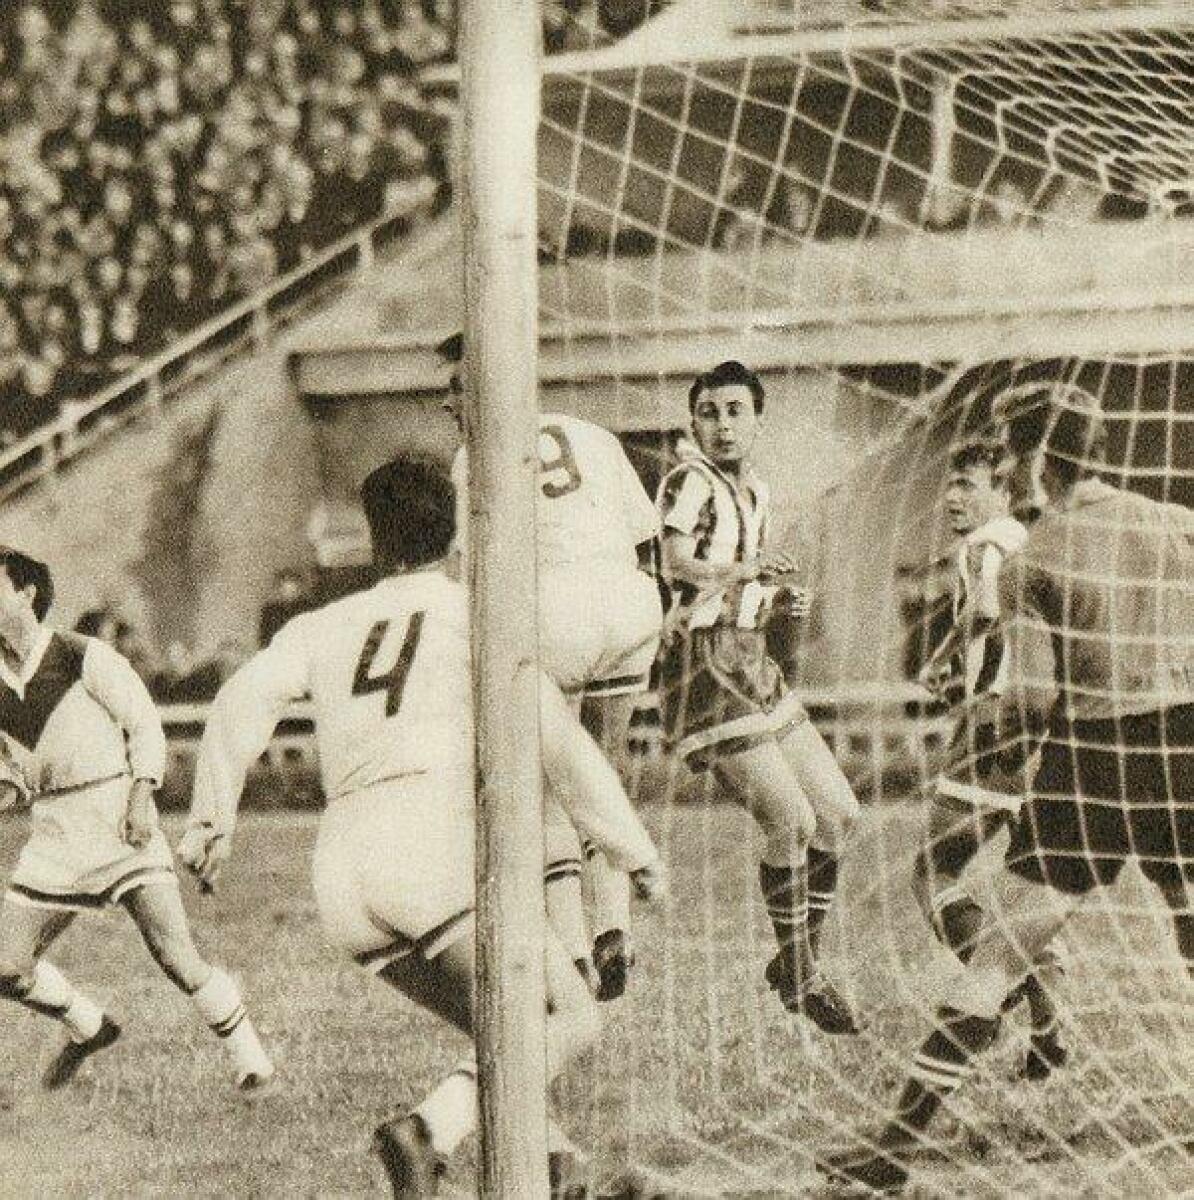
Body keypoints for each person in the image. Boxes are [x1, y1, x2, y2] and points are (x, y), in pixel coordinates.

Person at [181, 456, 665, 1192]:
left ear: (376, 540)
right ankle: (426, 1130)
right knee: (568, 1014)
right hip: (425, 848)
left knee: (502, 1031)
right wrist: (634, 851)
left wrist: (210, 821)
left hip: (343, 876)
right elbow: (561, 747)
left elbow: (238, 702)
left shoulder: (324, 623)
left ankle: (561, 1168)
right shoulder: (480, 621)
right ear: (459, 533)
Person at [823, 385, 1194, 1193]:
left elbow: (1029, 699)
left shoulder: (1038, 556)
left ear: (1030, 459)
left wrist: (996, 749)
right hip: (1187, 743)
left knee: (997, 955)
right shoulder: (1176, 522)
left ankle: (895, 1147)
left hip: (1097, 758)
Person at [437, 332, 663, 1002]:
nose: (448, 402)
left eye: (456, 386)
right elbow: (645, 541)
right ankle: (615, 926)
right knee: (604, 771)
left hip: (552, 613)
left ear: (490, 384)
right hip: (630, 607)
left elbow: (468, 570)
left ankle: (573, 950)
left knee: (544, 785)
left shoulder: (474, 456)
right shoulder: (593, 434)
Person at [0, 547, 273, 1093]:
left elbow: (145, 724)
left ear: (26, 594)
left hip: (117, 817)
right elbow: (13, 766)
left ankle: (253, 1064)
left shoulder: (81, 655)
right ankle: (88, 1025)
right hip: (55, 832)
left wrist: (142, 795)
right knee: (6, 967)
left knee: (176, 957)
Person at [655, 360, 861, 1033]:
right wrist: (749, 569)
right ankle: (802, 971)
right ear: (694, 424)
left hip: (752, 661)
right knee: (790, 819)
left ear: (757, 420)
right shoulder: (688, 480)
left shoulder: (757, 493)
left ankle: (797, 962)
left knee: (838, 812)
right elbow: (677, 564)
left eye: (735, 411)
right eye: (709, 412)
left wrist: (775, 600)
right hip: (703, 668)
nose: (722, 425)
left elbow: (743, 587)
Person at [911, 440, 1065, 1081]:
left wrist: (950, 665)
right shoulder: (1030, 543)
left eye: (969, 484)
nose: (953, 496)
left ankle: (1006, 989)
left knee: (932, 870)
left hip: (997, 730)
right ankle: (1048, 1032)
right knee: (1028, 889)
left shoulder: (982, 549)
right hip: (1047, 732)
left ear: (1004, 491)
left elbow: (984, 616)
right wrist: (950, 660)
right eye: (951, 483)